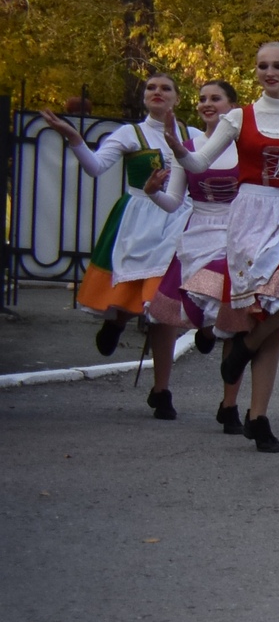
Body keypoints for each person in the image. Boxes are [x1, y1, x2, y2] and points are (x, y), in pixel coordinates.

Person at [168, 41, 279, 453]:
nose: (269, 72)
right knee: (260, 313)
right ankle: (259, 417)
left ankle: (245, 348)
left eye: (277, 65)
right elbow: (199, 163)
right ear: (255, 71)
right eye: (262, 65)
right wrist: (175, 146)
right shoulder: (239, 117)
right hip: (249, 214)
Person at [45, 73, 194, 415]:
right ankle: (116, 322)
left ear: (177, 98)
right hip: (139, 220)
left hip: (179, 223)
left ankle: (162, 391)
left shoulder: (194, 137)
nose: (157, 93)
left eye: (165, 88)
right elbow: (96, 168)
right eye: (151, 88)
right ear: (144, 98)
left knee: (163, 309)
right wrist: (74, 139)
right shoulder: (131, 133)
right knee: (132, 297)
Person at [150, 80, 246, 432]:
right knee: (169, 314)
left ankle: (229, 404)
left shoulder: (245, 147)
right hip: (198, 232)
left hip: (235, 235)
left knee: (231, 314)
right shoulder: (187, 147)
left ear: (232, 106)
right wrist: (152, 194)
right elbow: (174, 201)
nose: (207, 104)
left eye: (216, 98)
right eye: (203, 98)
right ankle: (161, 388)